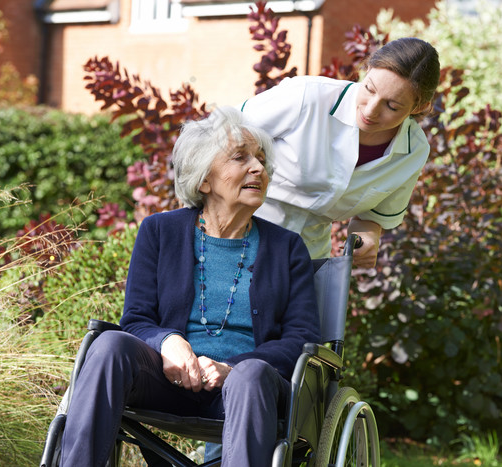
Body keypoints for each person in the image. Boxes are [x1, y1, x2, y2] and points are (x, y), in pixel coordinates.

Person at [58, 106, 320, 467]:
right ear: (204, 180)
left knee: (252, 374)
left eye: (261, 159)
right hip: (168, 380)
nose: (259, 168)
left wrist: (234, 366)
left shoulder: (288, 248)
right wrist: (168, 342)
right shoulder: (160, 232)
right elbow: (136, 320)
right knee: (109, 346)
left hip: (246, 392)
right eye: (240, 158)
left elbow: (301, 340)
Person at [239, 37, 440, 268]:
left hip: (307, 259)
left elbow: (372, 218)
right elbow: (219, 135)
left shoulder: (414, 150)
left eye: (392, 106)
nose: (371, 110)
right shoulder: (308, 96)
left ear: (419, 107)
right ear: (368, 69)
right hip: (238, 235)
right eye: (369, 89)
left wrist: (367, 238)